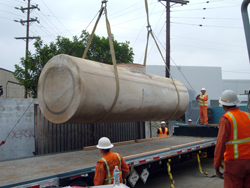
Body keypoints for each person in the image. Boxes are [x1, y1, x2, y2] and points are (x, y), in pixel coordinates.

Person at [214, 90, 250, 188]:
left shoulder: (226, 119)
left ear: (223, 105)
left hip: (234, 164)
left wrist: (217, 163)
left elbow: (221, 143)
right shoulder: (248, 116)